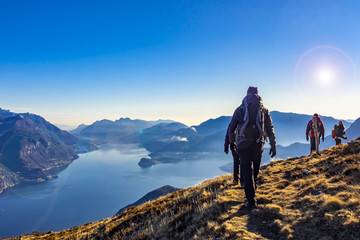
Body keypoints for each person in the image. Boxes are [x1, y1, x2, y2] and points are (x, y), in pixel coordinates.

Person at [228, 86, 276, 209]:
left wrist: (232, 142)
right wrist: (273, 144)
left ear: (247, 94)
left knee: (246, 171)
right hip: (258, 143)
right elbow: (270, 128)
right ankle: (252, 192)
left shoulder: (239, 110)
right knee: (254, 170)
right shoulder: (264, 110)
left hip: (243, 144)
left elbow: (231, 127)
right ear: (258, 94)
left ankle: (251, 200)